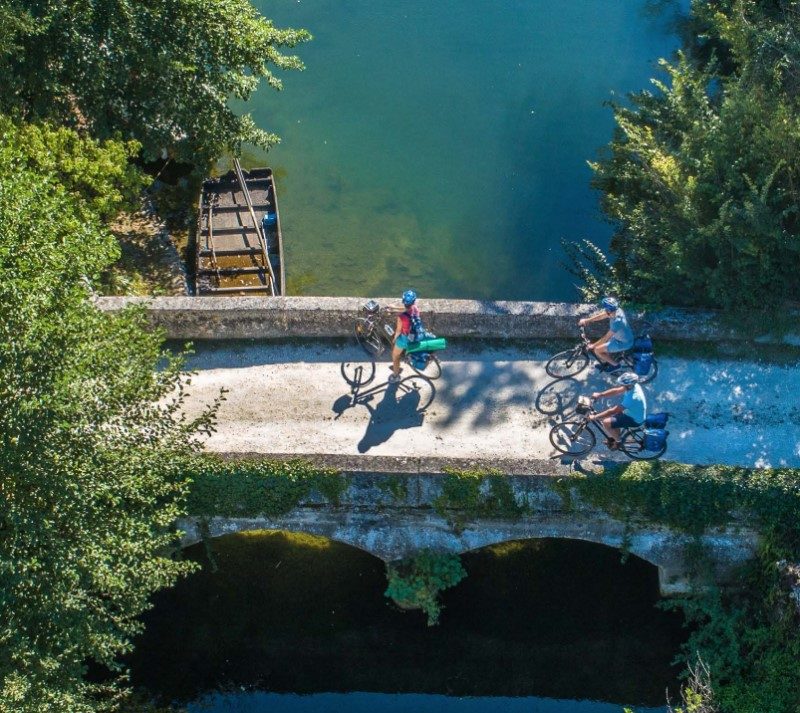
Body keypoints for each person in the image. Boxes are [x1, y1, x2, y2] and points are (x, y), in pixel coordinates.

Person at [589, 372, 647, 448]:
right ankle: (616, 436)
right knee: (613, 420)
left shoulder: (633, 397)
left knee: (606, 422)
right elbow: (616, 391)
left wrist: (595, 417)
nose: (622, 386)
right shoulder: (633, 385)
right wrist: (600, 395)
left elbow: (612, 411)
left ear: (628, 385)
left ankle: (618, 442)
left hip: (634, 419)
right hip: (632, 413)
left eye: (623, 384)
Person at [578, 296, 634, 370]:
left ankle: (616, 366)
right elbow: (602, 316)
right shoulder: (617, 310)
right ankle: (608, 361)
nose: (604, 309)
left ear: (608, 310)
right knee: (603, 346)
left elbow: (606, 337)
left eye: (605, 308)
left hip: (622, 343)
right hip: (622, 336)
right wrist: (587, 320)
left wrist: (593, 345)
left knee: (597, 350)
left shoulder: (617, 322)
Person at [388, 289, 423, 383]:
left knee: (395, 355)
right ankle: (406, 354)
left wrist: (394, 339)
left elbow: (398, 331)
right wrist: (394, 308)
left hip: (405, 338)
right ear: (414, 301)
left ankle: (395, 376)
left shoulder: (401, 317)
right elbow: (407, 309)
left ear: (403, 301)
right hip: (416, 335)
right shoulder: (415, 308)